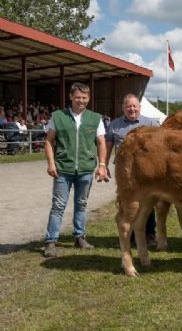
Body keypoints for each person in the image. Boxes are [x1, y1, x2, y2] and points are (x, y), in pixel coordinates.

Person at [43, 82, 108, 258]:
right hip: (63, 168)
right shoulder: (58, 116)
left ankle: (79, 237)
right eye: (78, 97)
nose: (81, 100)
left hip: (86, 169)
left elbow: (101, 142)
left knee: (81, 204)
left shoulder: (95, 118)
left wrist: (102, 165)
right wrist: (51, 163)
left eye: (85, 97)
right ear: (71, 97)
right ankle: (51, 241)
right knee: (58, 205)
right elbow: (49, 141)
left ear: (89, 98)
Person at [105, 94, 160, 246]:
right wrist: (103, 165)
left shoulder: (151, 123)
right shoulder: (114, 125)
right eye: (128, 106)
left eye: (134, 106)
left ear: (139, 107)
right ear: (123, 108)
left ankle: (149, 235)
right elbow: (108, 146)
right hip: (125, 173)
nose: (132, 109)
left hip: (146, 172)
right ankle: (128, 237)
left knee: (147, 201)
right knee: (126, 202)